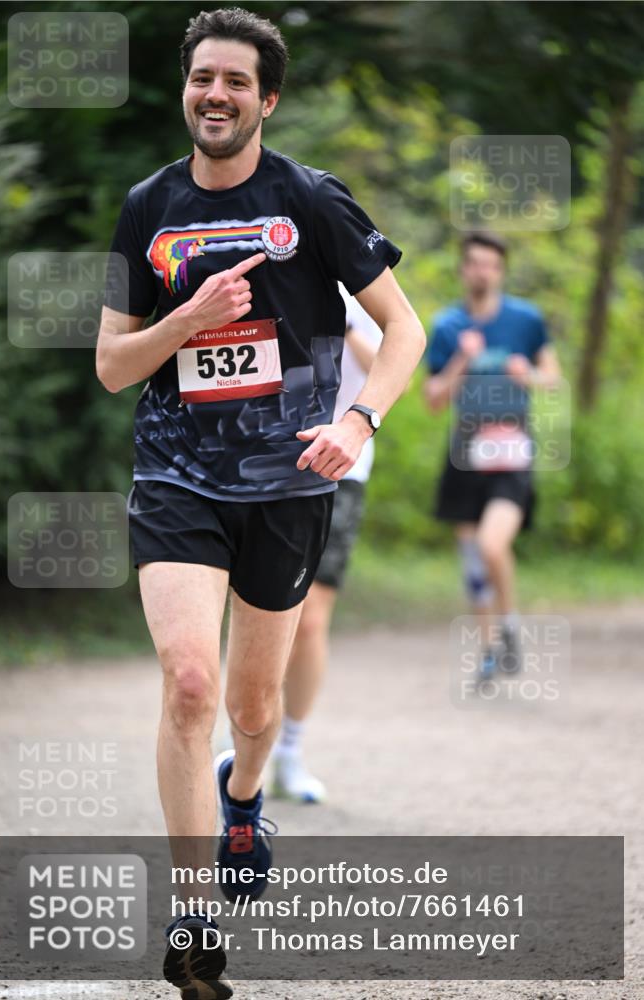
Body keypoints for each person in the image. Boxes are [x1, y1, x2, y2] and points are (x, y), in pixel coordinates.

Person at [96, 8, 426, 997]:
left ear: (266, 99)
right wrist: (185, 321)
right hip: (176, 477)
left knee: (250, 707)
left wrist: (359, 421)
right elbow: (114, 364)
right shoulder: (145, 207)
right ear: (186, 88)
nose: (216, 95)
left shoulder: (313, 202)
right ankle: (194, 922)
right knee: (191, 685)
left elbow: (402, 330)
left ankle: (247, 794)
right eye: (203, 78)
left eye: (236, 82)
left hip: (287, 486)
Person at [424, 231, 560, 682]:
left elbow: (553, 380)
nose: (482, 271)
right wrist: (461, 362)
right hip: (465, 450)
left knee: (491, 544)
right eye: (475, 263)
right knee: (471, 558)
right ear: (464, 269)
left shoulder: (526, 320)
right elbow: (433, 399)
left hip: (511, 450)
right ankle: (488, 649)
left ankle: (510, 625)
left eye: (490, 264)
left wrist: (530, 375)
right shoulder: (447, 325)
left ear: (500, 271)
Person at [271, 285, 382, 803]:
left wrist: (349, 325)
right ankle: (250, 734)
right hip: (268, 469)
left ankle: (290, 749)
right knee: (264, 611)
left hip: (342, 470)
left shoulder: (368, 288)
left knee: (311, 617)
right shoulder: (274, 268)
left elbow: (388, 365)